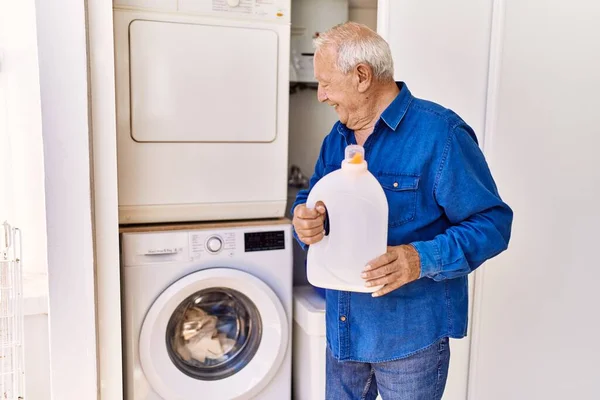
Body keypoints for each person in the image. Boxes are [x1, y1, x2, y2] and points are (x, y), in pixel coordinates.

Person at [291, 22, 513, 400]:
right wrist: (305, 221)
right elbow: (310, 198)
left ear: (362, 76)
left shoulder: (441, 134)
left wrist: (418, 259)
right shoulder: (338, 136)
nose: (322, 95)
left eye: (326, 83)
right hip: (343, 333)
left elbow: (493, 224)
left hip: (409, 339)